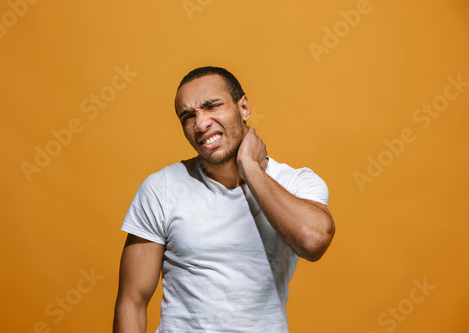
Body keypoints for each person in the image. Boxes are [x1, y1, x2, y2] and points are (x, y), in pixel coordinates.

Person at [113, 66, 335, 333]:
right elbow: (132, 301)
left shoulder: (295, 182)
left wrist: (250, 167)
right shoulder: (161, 188)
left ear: (243, 108)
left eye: (212, 106)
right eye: (188, 116)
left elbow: (313, 241)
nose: (201, 123)